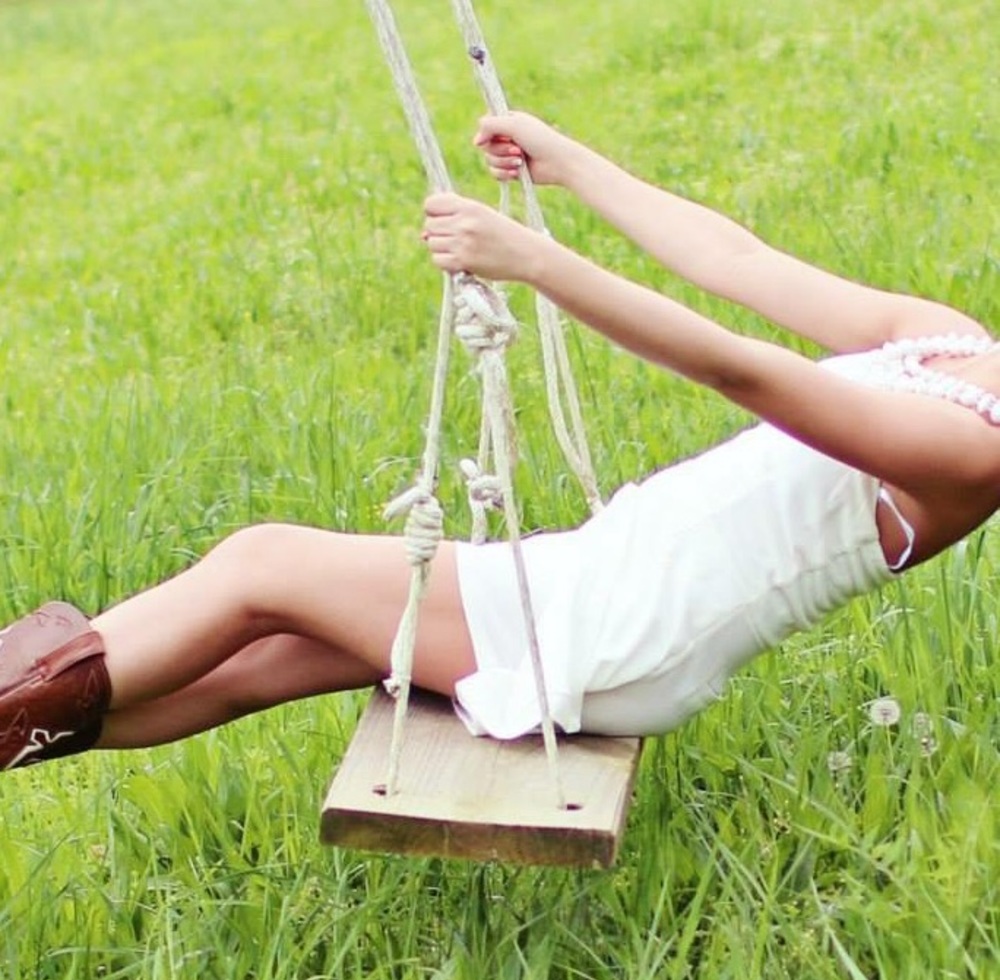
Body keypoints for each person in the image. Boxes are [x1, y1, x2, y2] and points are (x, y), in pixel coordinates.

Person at [3, 110, 999, 771]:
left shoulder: (977, 453)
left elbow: (744, 370)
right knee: (274, 654)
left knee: (264, 564)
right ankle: (24, 720)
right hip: (600, 578)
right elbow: (732, 257)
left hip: (618, 631)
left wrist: (536, 261)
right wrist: (571, 167)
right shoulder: (946, 342)